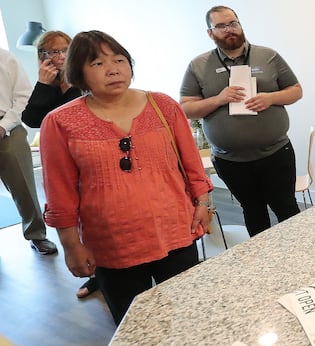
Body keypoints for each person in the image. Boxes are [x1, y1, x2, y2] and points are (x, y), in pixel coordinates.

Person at [40, 30, 213, 325]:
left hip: (176, 231)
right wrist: (71, 246)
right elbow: (60, 193)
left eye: (119, 60)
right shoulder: (60, 123)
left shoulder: (163, 106)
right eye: (97, 64)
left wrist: (203, 202)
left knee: (191, 316)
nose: (113, 69)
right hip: (113, 245)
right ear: (78, 72)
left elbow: (191, 163)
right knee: (135, 329)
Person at [180, 6, 302, 237]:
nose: (230, 30)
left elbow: (296, 90)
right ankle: (261, 264)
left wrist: (271, 98)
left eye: (233, 23)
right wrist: (219, 99)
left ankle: (301, 258)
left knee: (287, 209)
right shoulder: (198, 65)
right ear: (210, 33)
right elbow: (186, 108)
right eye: (221, 26)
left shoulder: (268, 56)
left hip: (276, 153)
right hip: (231, 161)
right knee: (253, 211)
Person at [22, 30, 99, 299]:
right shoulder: (49, 84)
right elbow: (32, 119)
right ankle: (96, 274)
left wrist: (68, 85)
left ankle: (106, 273)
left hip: (92, 160)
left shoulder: (87, 78)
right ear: (42, 57)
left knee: (98, 217)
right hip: (63, 166)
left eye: (63, 49)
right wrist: (44, 85)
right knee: (78, 220)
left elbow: (75, 114)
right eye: (51, 52)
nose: (58, 57)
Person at [0, 47, 58, 256]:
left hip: (8, 127)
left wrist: (3, 126)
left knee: (23, 184)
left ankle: (37, 235)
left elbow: (24, 96)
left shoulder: (5, 58)